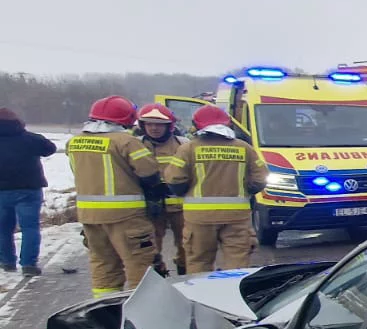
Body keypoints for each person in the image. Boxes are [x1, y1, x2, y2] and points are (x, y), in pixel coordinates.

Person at [66, 96, 164, 298]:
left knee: (103, 265)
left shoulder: (74, 142)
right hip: (126, 216)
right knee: (140, 265)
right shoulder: (126, 142)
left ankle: (106, 308)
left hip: (90, 217)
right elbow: (149, 174)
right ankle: (142, 308)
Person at [165, 105, 268, 272]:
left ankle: (201, 289)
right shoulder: (244, 148)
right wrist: (245, 191)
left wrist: (186, 191)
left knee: (199, 262)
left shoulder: (188, 149)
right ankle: (233, 289)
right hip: (236, 216)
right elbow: (260, 179)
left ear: (197, 125)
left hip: (199, 217)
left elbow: (175, 180)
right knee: (237, 263)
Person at [0, 107, 57, 276]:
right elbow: (50, 148)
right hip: (28, 190)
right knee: (30, 227)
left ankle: (7, 262)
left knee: (3, 228)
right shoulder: (30, 139)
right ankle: (28, 264)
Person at [135, 103, 188, 276]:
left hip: (180, 207)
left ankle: (184, 274)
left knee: (186, 245)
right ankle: (157, 273)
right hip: (151, 206)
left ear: (169, 126)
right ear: (142, 126)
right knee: (150, 247)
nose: (154, 128)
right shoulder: (136, 145)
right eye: (149, 124)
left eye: (159, 124)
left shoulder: (183, 144)